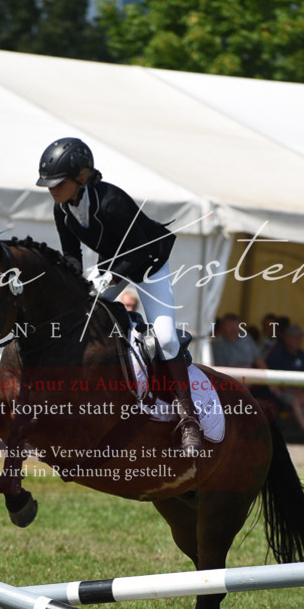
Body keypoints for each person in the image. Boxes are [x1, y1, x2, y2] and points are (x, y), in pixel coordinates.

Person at [36, 136, 203, 452]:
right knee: (75, 321)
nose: (51, 189)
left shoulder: (111, 200)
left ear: (81, 178)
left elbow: (138, 249)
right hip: (111, 266)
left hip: (149, 263)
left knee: (166, 338)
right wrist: (71, 284)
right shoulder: (62, 209)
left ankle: (189, 419)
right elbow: (72, 254)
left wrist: (110, 277)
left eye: (57, 183)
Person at [266, 324, 304, 444]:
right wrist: (293, 391)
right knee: (295, 401)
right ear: (287, 338)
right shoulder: (278, 354)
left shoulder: (302, 354)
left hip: (298, 391)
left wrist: (299, 390)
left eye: (301, 338)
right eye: (296, 338)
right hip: (282, 391)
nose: (299, 341)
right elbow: (275, 379)